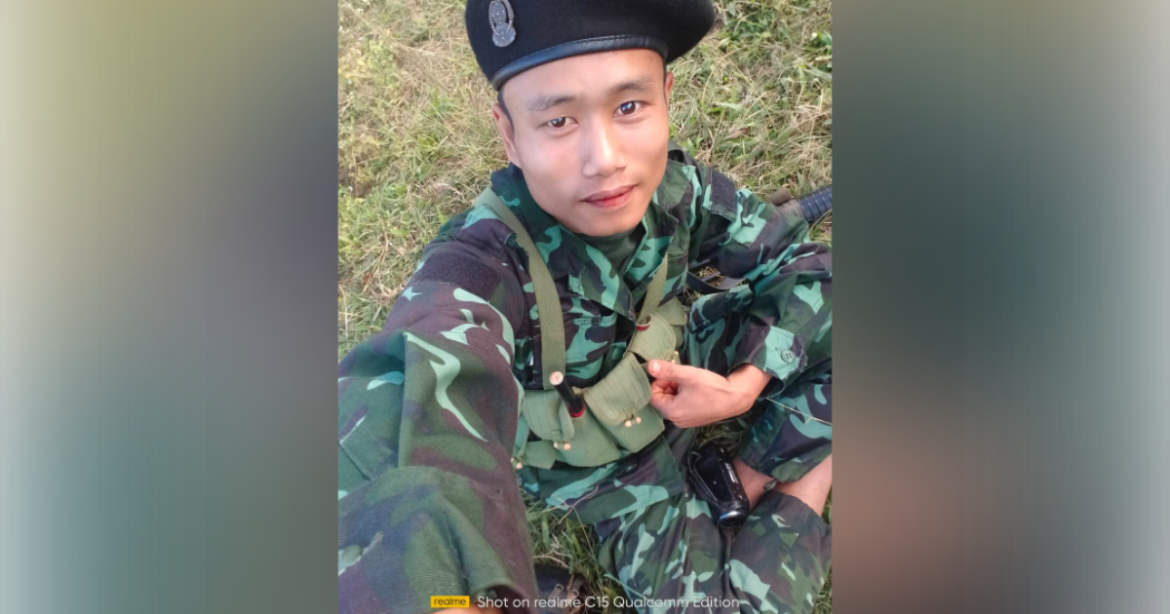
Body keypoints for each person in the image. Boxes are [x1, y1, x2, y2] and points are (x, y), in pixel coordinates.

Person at [337, 1, 832, 613]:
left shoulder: (678, 190)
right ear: (509, 135)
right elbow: (406, 416)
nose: (605, 160)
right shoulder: (480, 269)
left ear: (666, 97)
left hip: (682, 365)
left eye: (628, 107)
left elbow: (802, 263)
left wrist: (743, 387)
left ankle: (744, 480)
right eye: (558, 121)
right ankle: (802, 479)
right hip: (610, 471)